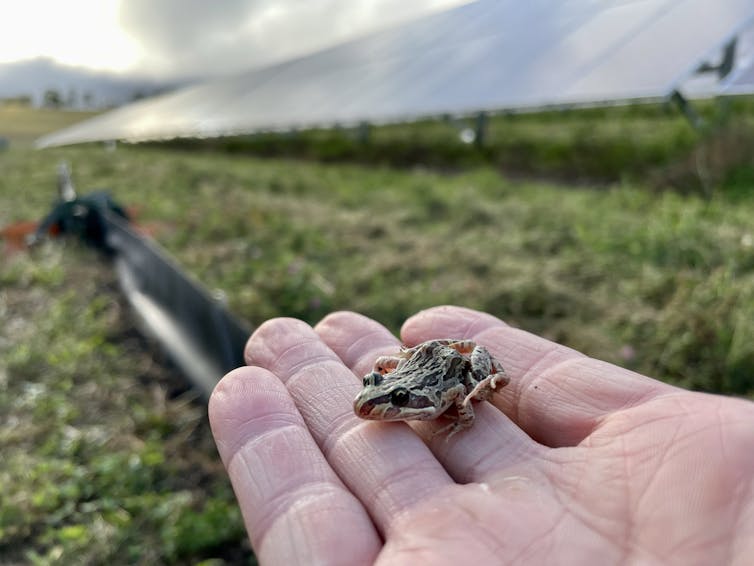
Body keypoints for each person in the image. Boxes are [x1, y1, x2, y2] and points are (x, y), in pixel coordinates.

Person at [209, 305, 754, 565]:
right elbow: (386, 378)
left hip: (453, 371)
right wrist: (390, 383)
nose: (379, 403)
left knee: (475, 381)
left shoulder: (436, 401)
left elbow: (450, 386)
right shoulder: (390, 387)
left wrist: (464, 400)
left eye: (395, 402)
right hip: (424, 361)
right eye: (381, 391)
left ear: (412, 405)